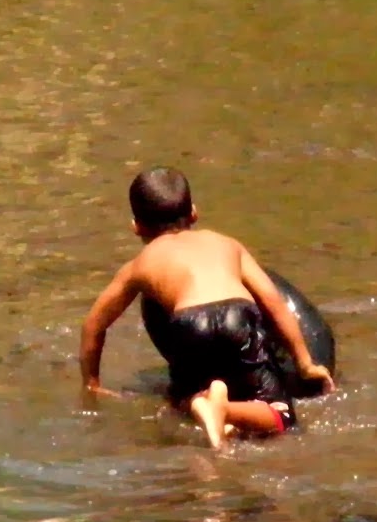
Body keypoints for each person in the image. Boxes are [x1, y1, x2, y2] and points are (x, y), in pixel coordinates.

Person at [79, 167, 335, 449]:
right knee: (281, 416)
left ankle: (202, 403)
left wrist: (92, 383)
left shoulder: (141, 264)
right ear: (194, 213)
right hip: (238, 315)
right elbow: (273, 302)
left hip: (188, 323)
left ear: (136, 227)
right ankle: (226, 410)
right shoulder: (226, 244)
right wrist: (305, 363)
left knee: (179, 398)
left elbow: (94, 325)